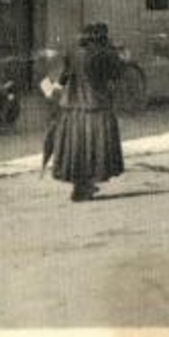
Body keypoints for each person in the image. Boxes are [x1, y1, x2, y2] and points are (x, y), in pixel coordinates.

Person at [46, 22, 125, 203]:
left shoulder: (72, 54)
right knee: (94, 151)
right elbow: (118, 73)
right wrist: (119, 55)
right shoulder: (104, 54)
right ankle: (86, 186)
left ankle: (79, 185)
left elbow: (62, 79)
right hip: (96, 109)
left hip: (72, 111)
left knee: (76, 151)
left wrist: (49, 93)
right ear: (102, 38)